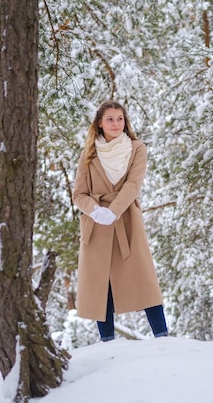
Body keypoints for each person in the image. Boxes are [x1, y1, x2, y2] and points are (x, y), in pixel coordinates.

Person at [72, 100, 168, 342]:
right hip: (96, 225)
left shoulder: (137, 149)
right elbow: (79, 194)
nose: (116, 124)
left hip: (126, 220)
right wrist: (94, 211)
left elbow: (133, 185)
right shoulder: (88, 153)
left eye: (120, 119)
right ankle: (107, 342)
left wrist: (113, 211)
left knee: (143, 277)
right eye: (110, 119)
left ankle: (163, 338)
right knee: (101, 283)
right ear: (100, 123)